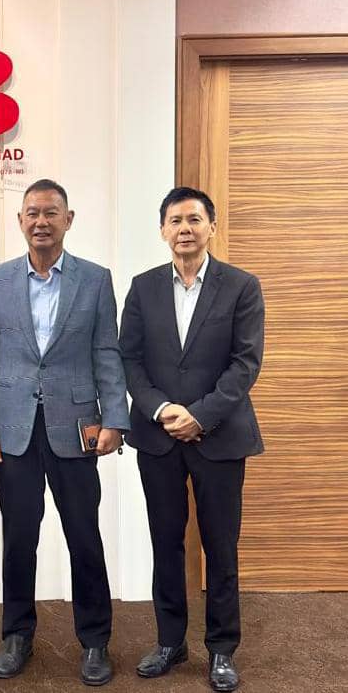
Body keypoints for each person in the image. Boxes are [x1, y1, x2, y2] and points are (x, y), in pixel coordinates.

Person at [0, 178, 129, 686]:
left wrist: (115, 418)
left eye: (51, 213)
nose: (41, 221)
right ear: (21, 221)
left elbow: (107, 352)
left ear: (68, 219)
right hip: (14, 429)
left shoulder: (95, 279)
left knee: (84, 536)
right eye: (32, 213)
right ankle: (16, 635)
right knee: (19, 538)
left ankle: (95, 640)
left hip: (77, 427)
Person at [119, 187, 264, 692]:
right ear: (163, 230)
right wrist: (161, 409)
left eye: (194, 219)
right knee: (165, 542)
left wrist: (199, 416)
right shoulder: (143, 288)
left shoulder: (241, 286)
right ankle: (170, 641)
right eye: (175, 220)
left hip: (218, 436)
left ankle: (222, 649)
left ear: (211, 227)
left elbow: (245, 364)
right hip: (158, 436)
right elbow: (129, 358)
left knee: (221, 545)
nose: (185, 228)